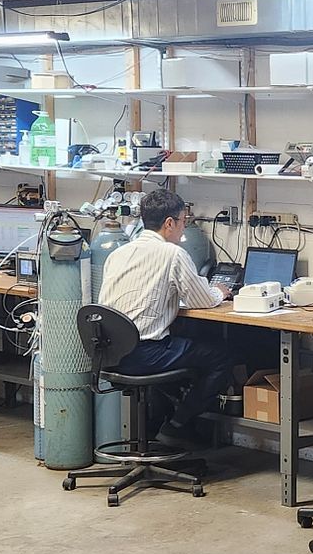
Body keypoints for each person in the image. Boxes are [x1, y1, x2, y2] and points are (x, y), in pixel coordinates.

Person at [97, 188, 234, 444]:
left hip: (109, 355)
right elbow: (202, 300)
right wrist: (220, 291)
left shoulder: (118, 253)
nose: (183, 228)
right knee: (220, 356)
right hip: (143, 355)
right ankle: (178, 425)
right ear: (169, 223)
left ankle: (154, 426)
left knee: (182, 342)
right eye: (183, 221)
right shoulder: (173, 254)